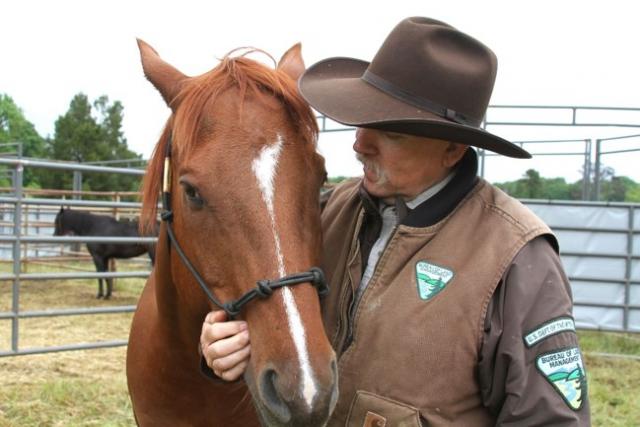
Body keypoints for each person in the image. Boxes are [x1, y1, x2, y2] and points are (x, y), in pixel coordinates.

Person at [200, 17, 591, 426]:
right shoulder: (332, 210)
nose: (359, 143)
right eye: (364, 120)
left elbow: (550, 419)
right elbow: (276, 317)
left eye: (392, 133)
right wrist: (221, 347)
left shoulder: (515, 257)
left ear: (452, 149)